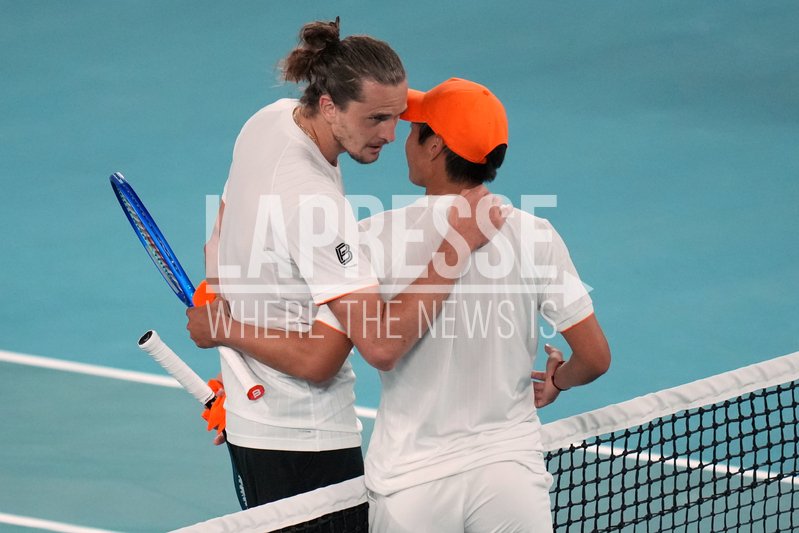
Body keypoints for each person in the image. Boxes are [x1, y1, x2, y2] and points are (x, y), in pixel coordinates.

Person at [190, 77, 610, 531]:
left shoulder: (372, 239)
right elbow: (595, 359)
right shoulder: (537, 236)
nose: (398, 138)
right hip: (511, 479)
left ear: (435, 146)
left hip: (412, 488)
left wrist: (227, 334)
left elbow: (319, 356)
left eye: (412, 130)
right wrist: (557, 380)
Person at [194, 19, 508, 515]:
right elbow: (372, 347)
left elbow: (220, 234)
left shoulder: (267, 122)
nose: (391, 134)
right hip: (307, 446)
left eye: (398, 116)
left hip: (251, 425)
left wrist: (222, 311)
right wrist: (459, 245)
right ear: (328, 106)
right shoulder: (315, 204)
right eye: (376, 118)